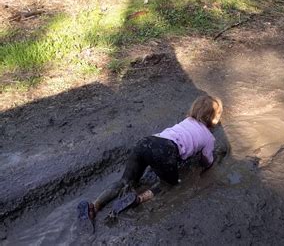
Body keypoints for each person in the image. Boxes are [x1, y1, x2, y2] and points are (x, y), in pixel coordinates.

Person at [77, 95, 223, 230]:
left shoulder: (187, 121)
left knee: (125, 181)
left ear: (194, 109)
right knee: (168, 184)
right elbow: (207, 161)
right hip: (164, 151)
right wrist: (210, 164)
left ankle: (94, 206)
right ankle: (138, 199)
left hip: (146, 142)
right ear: (214, 119)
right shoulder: (209, 137)